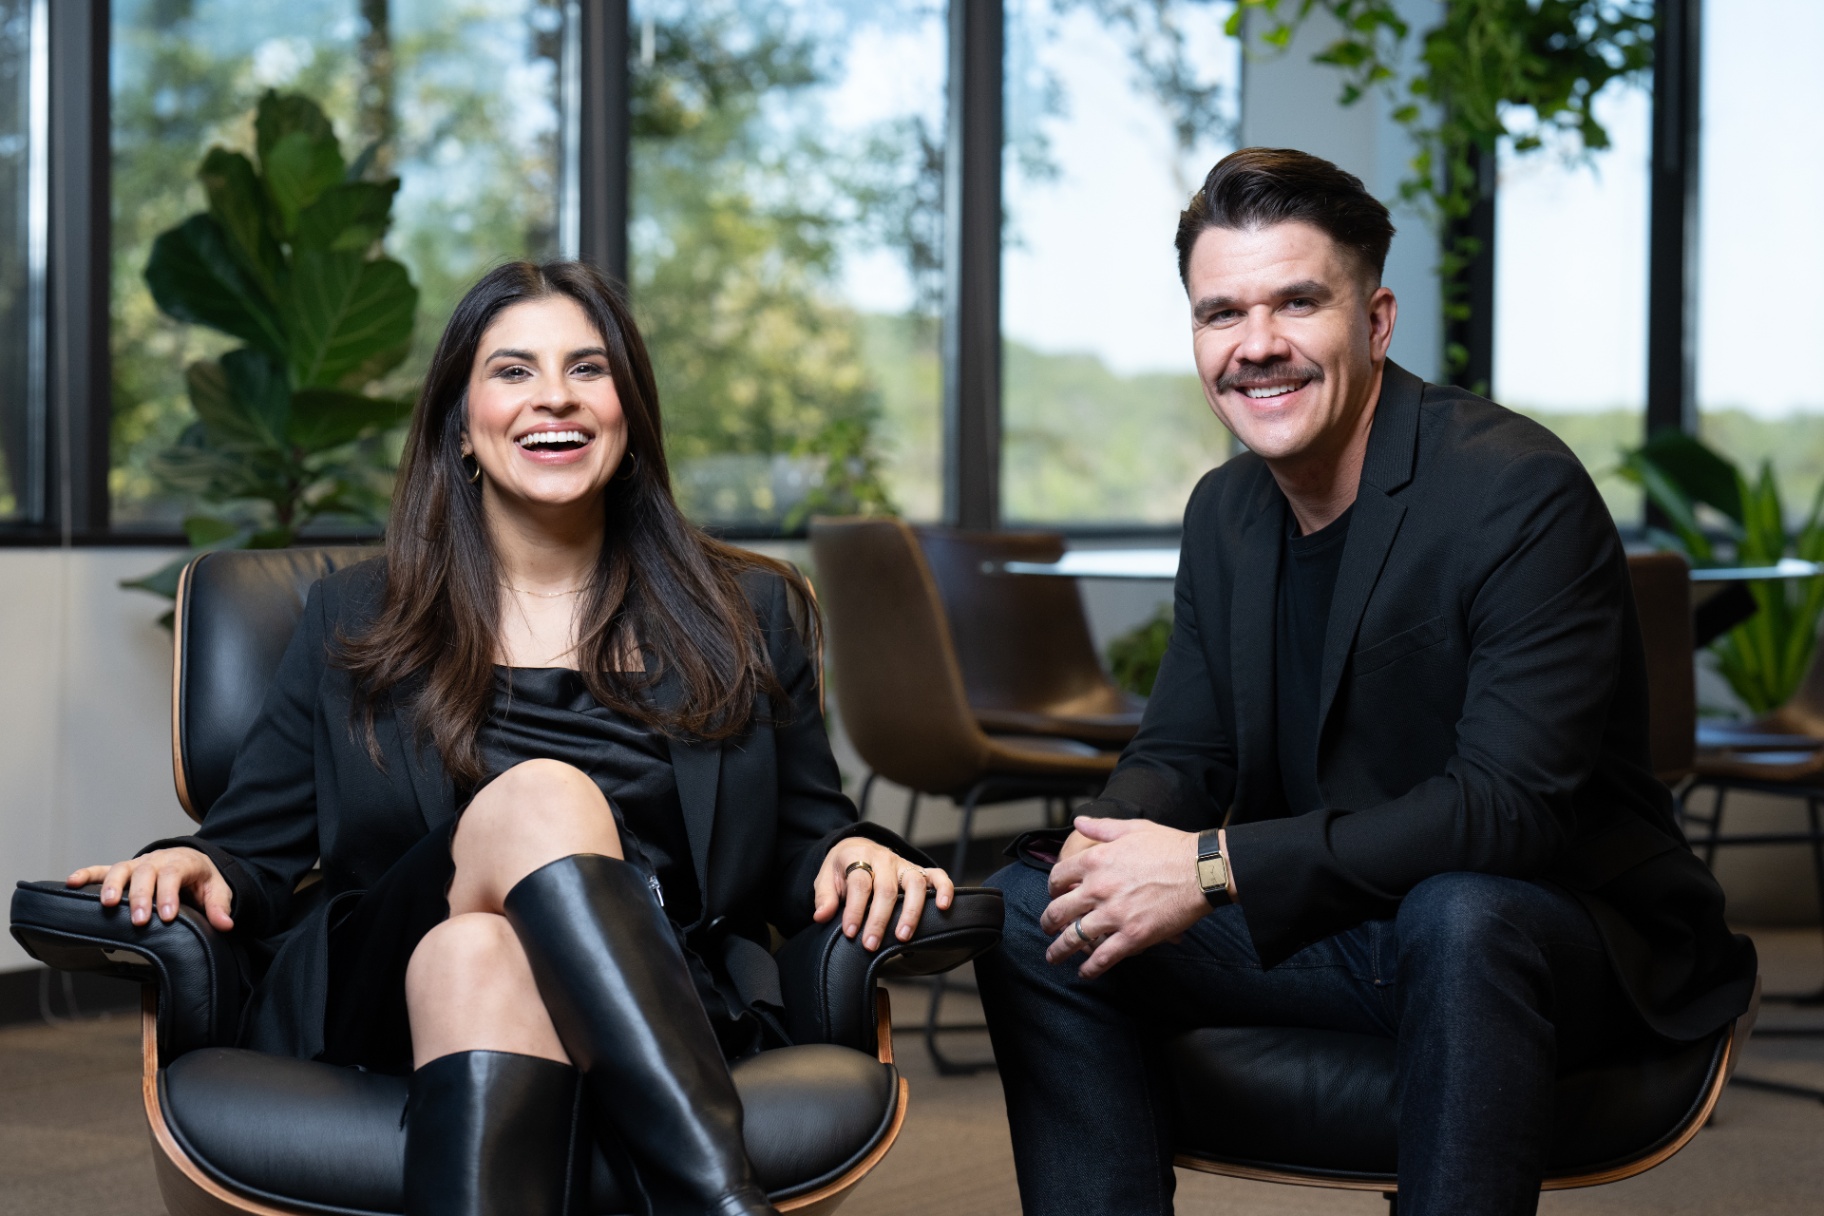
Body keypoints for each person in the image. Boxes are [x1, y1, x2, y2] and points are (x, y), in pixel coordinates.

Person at [67, 260, 950, 1216]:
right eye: (514, 371)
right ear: (461, 423)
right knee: (542, 796)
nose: (555, 398)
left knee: (481, 955)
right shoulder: (355, 615)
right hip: (385, 979)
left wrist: (858, 850)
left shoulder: (747, 611)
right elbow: (253, 847)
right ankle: (714, 1200)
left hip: (661, 980)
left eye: (589, 368)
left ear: (629, 410)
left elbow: (804, 838)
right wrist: (194, 868)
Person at [974, 148, 1757, 1216]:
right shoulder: (1223, 514)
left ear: (1377, 321)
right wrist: (1102, 850)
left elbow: (1510, 812)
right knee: (1035, 910)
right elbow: (1186, 753)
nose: (1258, 347)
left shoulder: (1516, 492)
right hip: (1349, 919)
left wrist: (1205, 866)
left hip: (1560, 935)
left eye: (1299, 302)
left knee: (1463, 912)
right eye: (1221, 314)